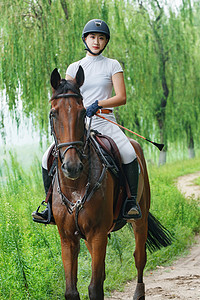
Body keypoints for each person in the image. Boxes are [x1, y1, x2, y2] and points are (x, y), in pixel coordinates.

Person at [32, 19, 141, 224]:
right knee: (47, 157)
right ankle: (48, 206)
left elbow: (122, 97)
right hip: (78, 124)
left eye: (101, 38)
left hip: (105, 120)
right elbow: (65, 96)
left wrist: (99, 103)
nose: (96, 42)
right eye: (92, 37)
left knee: (128, 152)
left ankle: (131, 202)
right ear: (85, 39)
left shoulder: (112, 65)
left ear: (106, 41)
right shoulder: (74, 67)